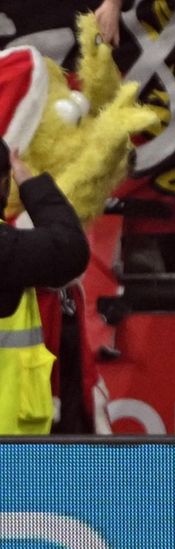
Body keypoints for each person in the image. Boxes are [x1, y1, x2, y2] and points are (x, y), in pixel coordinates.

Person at [0, 146, 89, 436]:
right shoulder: (6, 249)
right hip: (9, 443)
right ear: (5, 184)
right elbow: (71, 248)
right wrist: (30, 182)